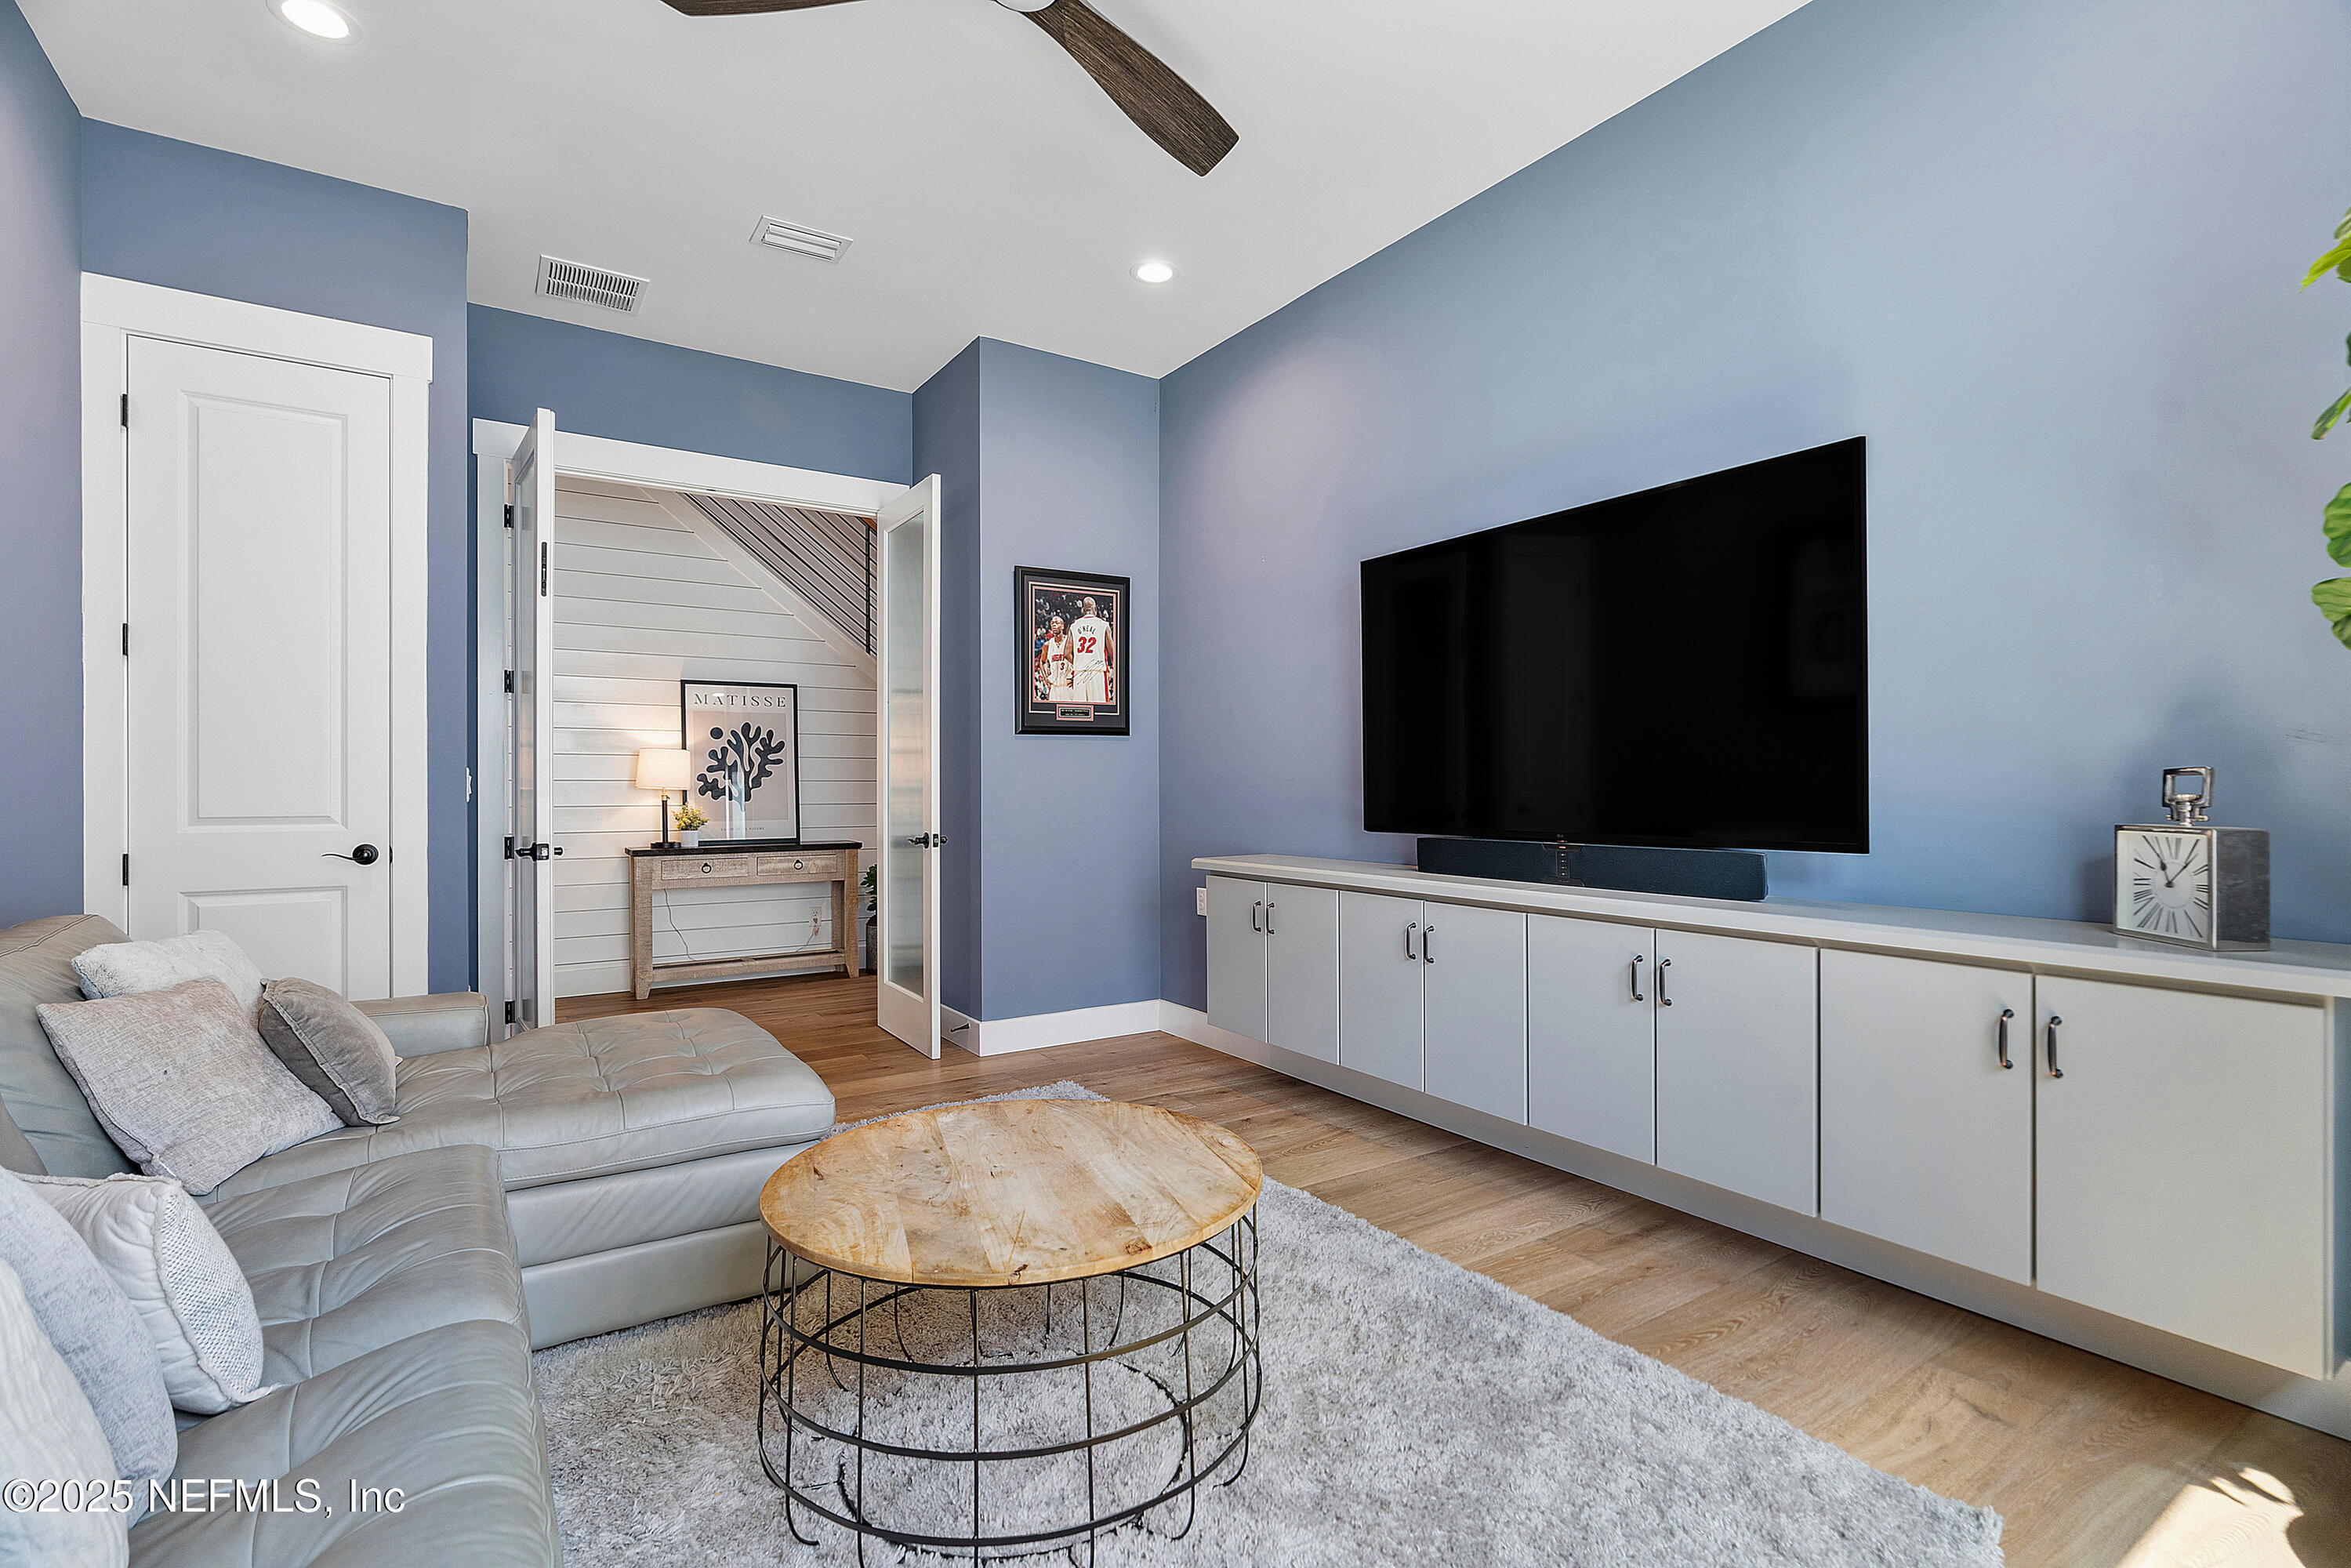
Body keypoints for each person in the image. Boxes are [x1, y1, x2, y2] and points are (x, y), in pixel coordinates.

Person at [1070, 596, 1113, 704]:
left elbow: (1066, 653)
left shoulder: (1074, 625)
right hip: (1096, 673)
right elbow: (1113, 655)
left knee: (1080, 710)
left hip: (1079, 672)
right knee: (1099, 709)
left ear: (1083, 610)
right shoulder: (1103, 625)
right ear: (1095, 609)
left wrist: (1078, 662)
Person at [1042, 614, 1076, 701]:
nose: (1054, 625)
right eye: (1052, 623)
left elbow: (1078, 661)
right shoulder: (1047, 645)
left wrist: (1076, 677)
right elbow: (1043, 662)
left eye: (1057, 623)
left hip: (1068, 686)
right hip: (1055, 687)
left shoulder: (1070, 642)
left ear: (1063, 626)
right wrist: (1045, 677)